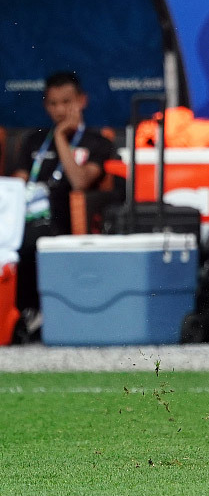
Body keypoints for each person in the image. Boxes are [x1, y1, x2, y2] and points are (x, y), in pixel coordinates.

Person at [12, 71, 115, 342]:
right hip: (28, 218)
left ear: (82, 101)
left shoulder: (98, 141)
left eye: (66, 102)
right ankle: (18, 314)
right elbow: (18, 185)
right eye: (53, 103)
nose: (59, 110)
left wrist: (60, 137)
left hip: (66, 220)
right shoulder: (33, 141)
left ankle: (32, 312)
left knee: (34, 237)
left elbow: (80, 181)